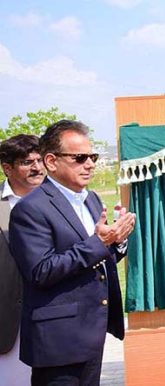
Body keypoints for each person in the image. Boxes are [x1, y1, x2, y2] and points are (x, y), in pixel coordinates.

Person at [10, 119, 136, 385]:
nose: (89, 164)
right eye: (80, 158)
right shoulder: (30, 209)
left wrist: (117, 242)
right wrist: (100, 243)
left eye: (92, 156)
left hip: (92, 329)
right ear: (52, 162)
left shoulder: (91, 199)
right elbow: (41, 271)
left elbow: (96, 257)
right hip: (59, 339)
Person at [0, 134, 45, 385]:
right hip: (7, 322)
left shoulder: (61, 202)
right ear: (7, 168)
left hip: (52, 318)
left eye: (40, 160)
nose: (37, 167)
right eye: (28, 162)